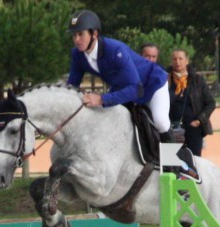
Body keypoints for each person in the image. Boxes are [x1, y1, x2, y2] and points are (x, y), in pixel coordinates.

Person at [66, 9, 199, 182]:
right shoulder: (78, 55)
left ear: (94, 34)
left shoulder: (115, 50)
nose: (76, 40)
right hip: (123, 87)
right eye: (74, 35)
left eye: (80, 34)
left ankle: (178, 166)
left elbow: (136, 89)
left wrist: (102, 99)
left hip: (151, 84)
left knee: (160, 120)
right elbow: (72, 86)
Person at [168, 49, 215, 157]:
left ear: (187, 61)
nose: (177, 62)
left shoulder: (197, 80)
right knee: (172, 160)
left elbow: (211, 103)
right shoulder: (165, 79)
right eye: (174, 59)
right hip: (171, 128)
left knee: (194, 160)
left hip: (193, 128)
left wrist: (199, 120)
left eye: (180, 58)